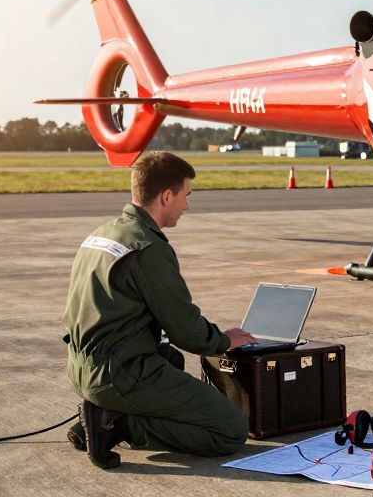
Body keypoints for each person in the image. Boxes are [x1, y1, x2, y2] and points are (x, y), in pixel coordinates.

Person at [62, 151, 257, 469]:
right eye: (186, 195)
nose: (187, 206)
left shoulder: (103, 234)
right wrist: (223, 340)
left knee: (171, 360)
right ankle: (116, 424)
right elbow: (185, 329)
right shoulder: (149, 248)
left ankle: (104, 412)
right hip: (117, 374)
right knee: (230, 431)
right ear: (167, 196)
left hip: (82, 367)